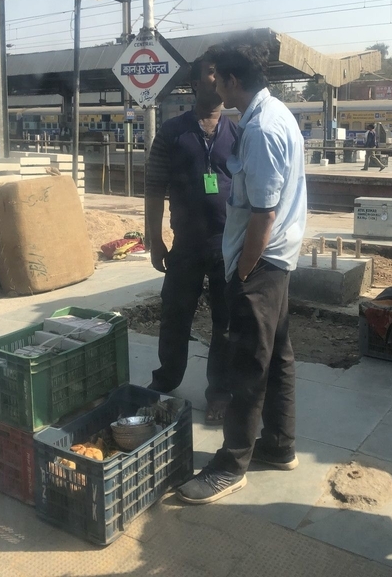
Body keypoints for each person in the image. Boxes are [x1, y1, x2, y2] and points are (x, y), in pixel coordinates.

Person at [176, 42, 307, 504]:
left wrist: (244, 271)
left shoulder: (261, 129)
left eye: (218, 80)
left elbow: (263, 212)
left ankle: (231, 464)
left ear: (233, 82)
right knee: (278, 355)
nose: (214, 87)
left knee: (247, 362)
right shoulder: (275, 116)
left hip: (261, 261)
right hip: (276, 261)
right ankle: (278, 445)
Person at [146, 56, 238, 425]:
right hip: (185, 244)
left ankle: (219, 391)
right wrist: (155, 239)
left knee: (226, 324)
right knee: (174, 315)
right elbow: (153, 189)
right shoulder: (172, 132)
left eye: (220, 75)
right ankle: (165, 379)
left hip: (227, 245)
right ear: (195, 84)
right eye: (210, 75)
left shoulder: (239, 133)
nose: (216, 82)